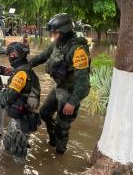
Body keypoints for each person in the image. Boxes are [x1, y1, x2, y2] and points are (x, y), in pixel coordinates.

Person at [29, 13, 91, 154]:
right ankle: (53, 138)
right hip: (60, 87)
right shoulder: (58, 44)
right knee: (45, 113)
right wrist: (24, 65)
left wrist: (73, 102)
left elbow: (83, 81)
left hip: (71, 91)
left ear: (63, 32)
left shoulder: (78, 50)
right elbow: (42, 57)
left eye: (55, 33)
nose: (53, 36)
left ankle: (59, 152)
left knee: (62, 125)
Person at [0, 42, 41, 158]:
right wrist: (13, 72)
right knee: (7, 145)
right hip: (24, 118)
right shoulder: (27, 70)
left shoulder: (21, 74)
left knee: (18, 157)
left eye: (9, 54)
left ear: (13, 55)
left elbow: (6, 99)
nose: (8, 57)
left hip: (21, 122)